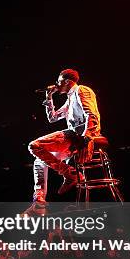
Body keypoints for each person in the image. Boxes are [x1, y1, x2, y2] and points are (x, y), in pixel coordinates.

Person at [28, 68, 101, 203]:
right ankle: (39, 200)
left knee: (34, 146)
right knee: (39, 160)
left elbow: (92, 115)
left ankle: (69, 174)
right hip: (73, 138)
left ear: (67, 81)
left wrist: (87, 139)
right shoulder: (70, 98)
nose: (57, 84)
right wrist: (49, 97)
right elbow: (53, 118)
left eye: (59, 81)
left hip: (77, 137)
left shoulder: (82, 90)